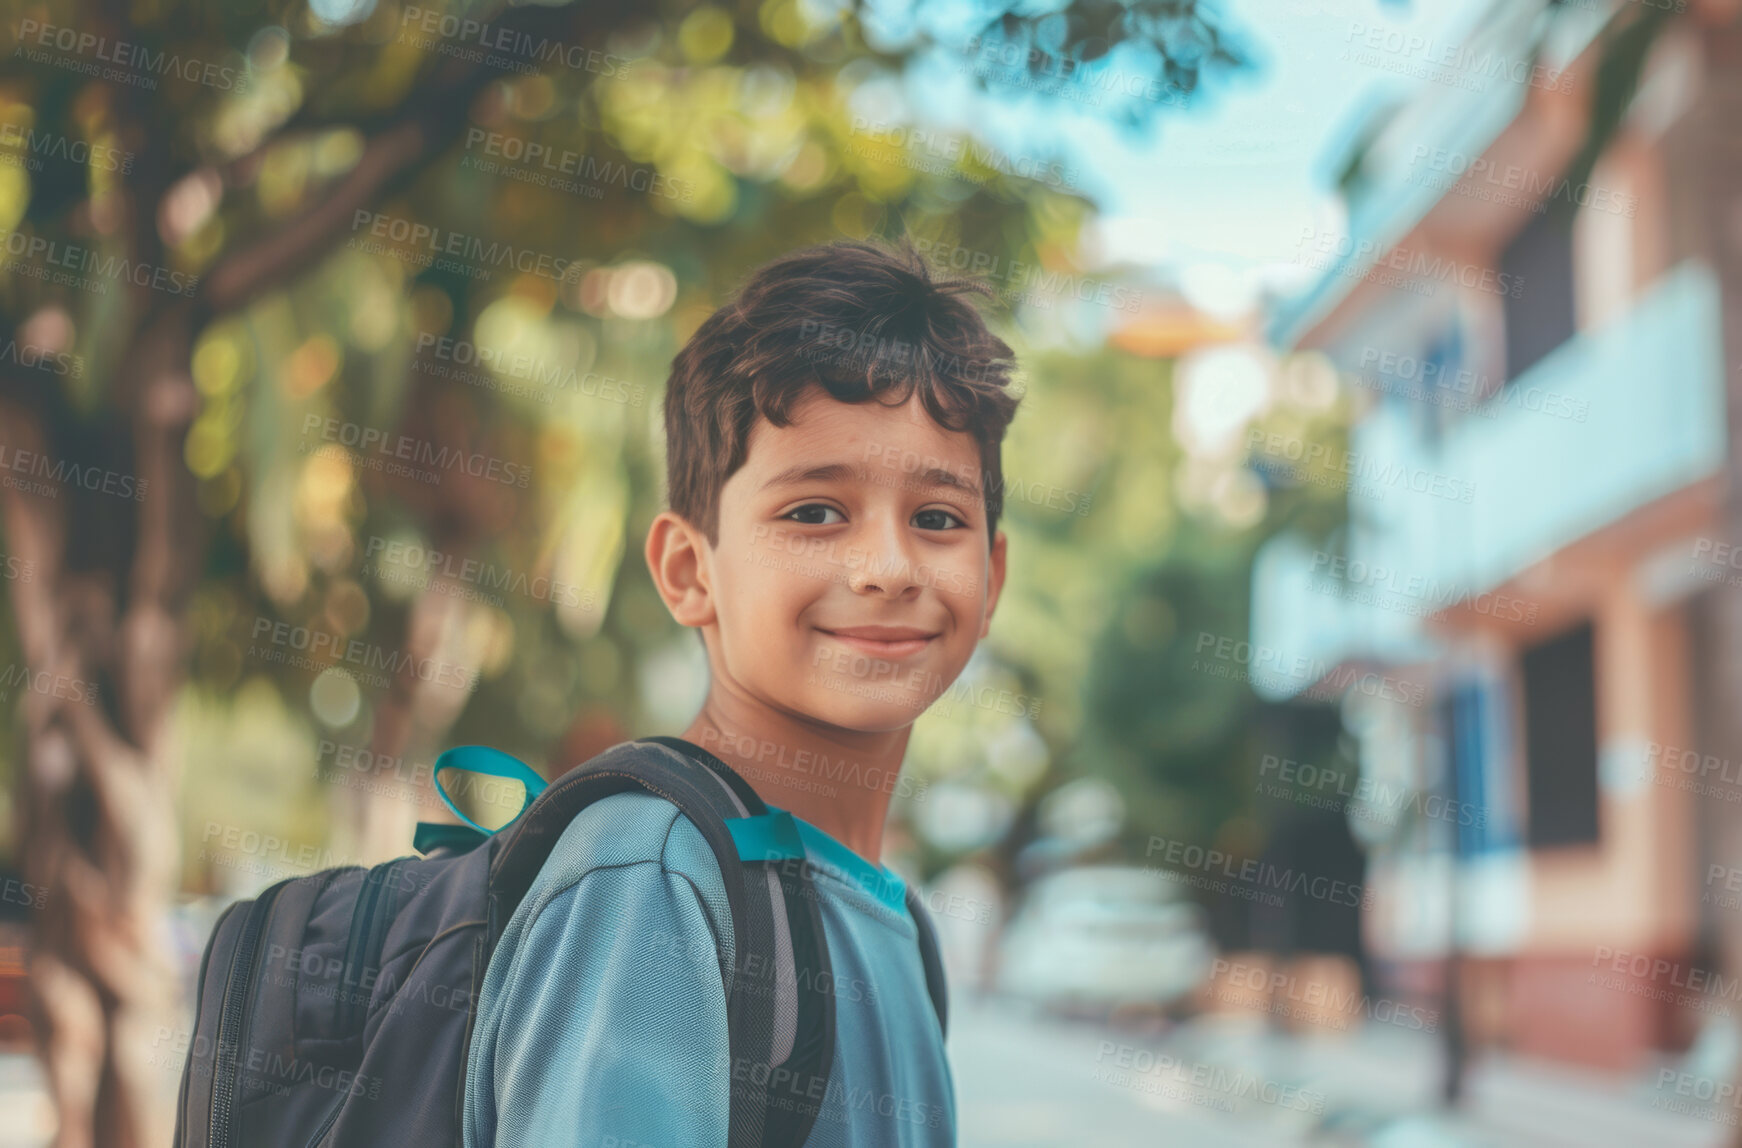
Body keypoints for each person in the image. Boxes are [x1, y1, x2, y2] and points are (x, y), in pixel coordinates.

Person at [462, 238, 1023, 1146]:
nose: (887, 567)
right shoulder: (653, 872)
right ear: (689, 570)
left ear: (990, 578)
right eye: (814, 512)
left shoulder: (899, 924)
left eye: (937, 518)